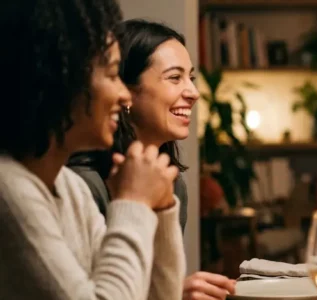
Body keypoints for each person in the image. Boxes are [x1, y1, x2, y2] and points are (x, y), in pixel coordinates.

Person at [0, 0, 184, 299]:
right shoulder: (9, 191)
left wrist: (160, 210)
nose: (124, 95)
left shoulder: (70, 188)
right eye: (113, 75)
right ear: (62, 78)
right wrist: (134, 203)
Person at [67, 19, 236, 300]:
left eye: (190, 78)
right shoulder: (83, 184)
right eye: (174, 78)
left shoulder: (172, 184)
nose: (193, 93)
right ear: (126, 92)